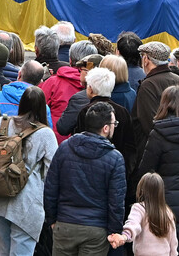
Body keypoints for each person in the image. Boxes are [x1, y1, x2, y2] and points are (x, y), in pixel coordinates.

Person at [43, 101, 127, 256]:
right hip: (96, 229)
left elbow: (50, 187)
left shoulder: (65, 148)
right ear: (106, 128)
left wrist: (52, 220)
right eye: (114, 123)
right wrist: (114, 230)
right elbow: (116, 201)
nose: (115, 126)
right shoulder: (115, 158)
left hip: (65, 224)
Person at [0, 86, 57, 256]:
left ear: (21, 104)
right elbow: (52, 173)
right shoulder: (45, 134)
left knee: (3, 252)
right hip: (27, 203)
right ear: (42, 107)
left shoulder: (1, 123)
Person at [135, 85, 179, 256]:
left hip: (163, 201)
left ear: (164, 104)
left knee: (166, 246)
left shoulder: (158, 134)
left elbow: (146, 170)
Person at [109, 172, 178, 256]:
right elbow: (173, 242)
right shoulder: (167, 212)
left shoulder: (139, 208)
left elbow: (133, 225)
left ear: (142, 189)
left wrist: (124, 236)